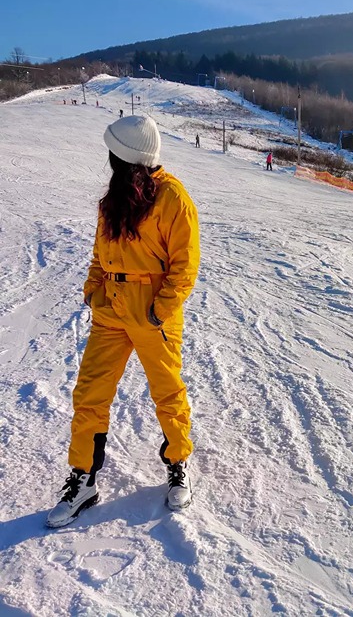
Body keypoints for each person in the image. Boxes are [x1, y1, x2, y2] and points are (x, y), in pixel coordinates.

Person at [47, 115, 200, 528]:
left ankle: (178, 465)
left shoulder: (172, 198)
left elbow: (184, 267)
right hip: (110, 311)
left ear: (127, 157)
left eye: (114, 152)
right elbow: (99, 256)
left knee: (167, 392)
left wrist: (158, 309)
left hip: (152, 314)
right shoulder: (110, 201)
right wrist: (93, 293)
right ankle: (84, 479)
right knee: (89, 395)